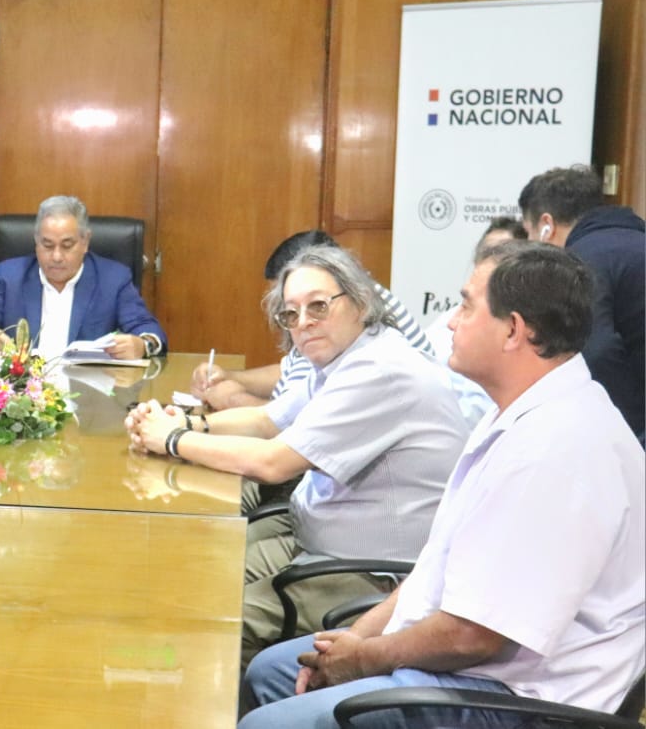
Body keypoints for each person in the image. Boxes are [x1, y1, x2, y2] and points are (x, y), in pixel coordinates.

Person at [240, 242, 645, 729]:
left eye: (466, 305)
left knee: (267, 722)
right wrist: (352, 643)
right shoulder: (516, 416)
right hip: (463, 660)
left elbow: (474, 636)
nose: (451, 321)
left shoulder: (557, 448)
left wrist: (366, 659)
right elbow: (435, 569)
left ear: (513, 330)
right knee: (273, 671)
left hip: (512, 695)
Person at [126, 244, 466, 666]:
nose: (303, 323)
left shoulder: (381, 369)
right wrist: (188, 423)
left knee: (211, 620)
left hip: (371, 576)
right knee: (191, 569)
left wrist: (173, 440)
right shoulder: (348, 355)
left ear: (359, 301)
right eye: (291, 314)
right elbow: (270, 420)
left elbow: (273, 462)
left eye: (318, 306)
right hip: (313, 539)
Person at [192, 230, 433, 411]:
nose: (304, 320)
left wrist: (233, 400)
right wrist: (231, 377)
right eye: (290, 309)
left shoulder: (368, 340)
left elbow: (291, 428)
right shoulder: (350, 300)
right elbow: (292, 375)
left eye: (316, 305)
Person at [518, 165, 644, 440]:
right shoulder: (634, 242)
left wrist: (625, 435)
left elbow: (597, 351)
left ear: (546, 226)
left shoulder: (583, 258)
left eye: (528, 233)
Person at [0, 196, 166, 360]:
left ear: (85, 242)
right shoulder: (10, 275)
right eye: (47, 245)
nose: (56, 256)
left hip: (89, 399)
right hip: (24, 395)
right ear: (36, 242)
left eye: (67, 246)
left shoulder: (113, 279)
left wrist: (143, 345)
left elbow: (148, 328)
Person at [423, 216, 528, 426]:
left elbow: (475, 412)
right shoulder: (451, 318)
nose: (454, 323)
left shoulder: (515, 338)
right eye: (487, 253)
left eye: (503, 255)